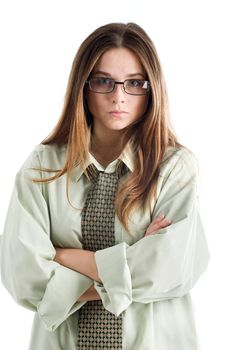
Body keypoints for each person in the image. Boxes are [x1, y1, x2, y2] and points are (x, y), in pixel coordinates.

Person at [0, 22, 210, 350]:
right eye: (104, 81)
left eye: (134, 83)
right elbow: (23, 276)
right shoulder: (44, 166)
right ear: (83, 86)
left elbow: (170, 269)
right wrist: (132, 261)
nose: (118, 97)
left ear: (152, 88)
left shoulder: (174, 168)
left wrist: (62, 257)